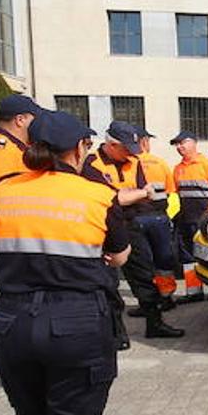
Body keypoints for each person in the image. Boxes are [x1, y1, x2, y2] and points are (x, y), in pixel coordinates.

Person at [0, 110, 130, 415]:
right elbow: (120, 255)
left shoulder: (4, 191)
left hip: (12, 321)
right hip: (74, 323)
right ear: (77, 149)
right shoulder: (95, 195)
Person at [84, 122, 183, 338]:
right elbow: (113, 199)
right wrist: (134, 194)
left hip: (131, 224)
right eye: (127, 148)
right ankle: (115, 333)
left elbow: (139, 193)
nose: (131, 153)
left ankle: (155, 324)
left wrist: (132, 196)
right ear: (111, 144)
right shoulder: (92, 164)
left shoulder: (134, 161)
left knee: (144, 275)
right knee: (108, 282)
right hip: (102, 227)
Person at [0, 94, 42, 281]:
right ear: (20, 120)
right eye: (35, 119)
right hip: (3, 229)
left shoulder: (15, 147)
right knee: (16, 286)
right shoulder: (1, 152)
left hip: (8, 229)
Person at [171, 131, 208, 303]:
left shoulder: (207, 165)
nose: (180, 147)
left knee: (207, 255)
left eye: (183, 143)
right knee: (187, 258)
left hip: (203, 219)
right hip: (186, 220)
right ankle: (194, 292)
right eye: (177, 144)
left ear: (194, 143)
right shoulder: (178, 169)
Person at [135, 128, 179, 307]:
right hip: (158, 218)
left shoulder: (128, 164)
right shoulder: (160, 163)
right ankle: (166, 297)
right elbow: (169, 191)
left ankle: (148, 302)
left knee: (142, 262)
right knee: (163, 259)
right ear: (144, 142)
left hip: (136, 218)